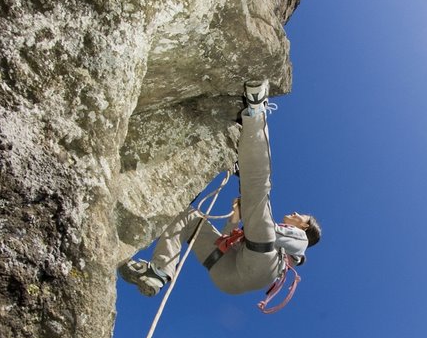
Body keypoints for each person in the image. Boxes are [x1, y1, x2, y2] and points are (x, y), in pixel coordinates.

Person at [118, 80, 321, 298]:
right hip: (228, 278)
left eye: (302, 217)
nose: (295, 214)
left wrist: (252, 213)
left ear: (305, 226)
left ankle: (255, 111)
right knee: (187, 216)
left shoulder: (301, 239)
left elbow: (268, 230)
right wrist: (236, 218)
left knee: (258, 188)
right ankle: (158, 272)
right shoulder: (276, 241)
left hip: (261, 264)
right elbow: (224, 242)